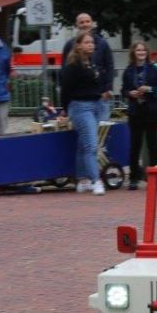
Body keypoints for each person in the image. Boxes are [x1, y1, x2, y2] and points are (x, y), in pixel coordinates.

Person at [59, 31, 108, 195]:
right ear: (78, 45)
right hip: (80, 106)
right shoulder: (72, 66)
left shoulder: (92, 63)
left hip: (96, 104)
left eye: (92, 42)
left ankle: (82, 178)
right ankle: (96, 180)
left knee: (83, 143)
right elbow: (65, 89)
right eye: (87, 42)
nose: (91, 45)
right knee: (91, 145)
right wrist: (65, 109)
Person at [121, 41, 157, 190]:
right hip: (135, 112)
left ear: (147, 52)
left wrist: (149, 89)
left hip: (151, 111)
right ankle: (133, 178)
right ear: (134, 52)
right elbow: (123, 90)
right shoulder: (128, 70)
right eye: (138, 50)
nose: (141, 53)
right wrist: (129, 93)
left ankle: (155, 178)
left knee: (153, 145)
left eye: (143, 50)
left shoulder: (154, 70)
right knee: (135, 145)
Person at [61, 14, 115, 120]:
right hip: (80, 100)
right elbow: (64, 72)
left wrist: (108, 89)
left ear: (92, 23)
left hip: (101, 96)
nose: (85, 24)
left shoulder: (103, 43)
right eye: (82, 22)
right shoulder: (69, 45)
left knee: (102, 132)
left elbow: (110, 66)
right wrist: (66, 104)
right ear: (77, 25)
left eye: (87, 21)